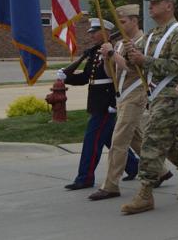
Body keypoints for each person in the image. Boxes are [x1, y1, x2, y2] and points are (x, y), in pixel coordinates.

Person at [121, 0, 178, 215]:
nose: (150, 6)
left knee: (152, 140)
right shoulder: (151, 34)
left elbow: (176, 66)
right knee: (168, 143)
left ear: (169, 5)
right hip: (155, 95)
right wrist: (131, 56)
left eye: (156, 3)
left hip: (171, 96)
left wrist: (144, 59)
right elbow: (137, 65)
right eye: (151, 3)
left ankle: (146, 193)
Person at [90, 5, 169, 201]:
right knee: (136, 139)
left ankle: (110, 185)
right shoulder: (117, 44)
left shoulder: (144, 42)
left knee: (118, 140)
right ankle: (160, 171)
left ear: (135, 21)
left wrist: (112, 55)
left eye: (123, 22)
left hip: (136, 95)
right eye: (119, 22)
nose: (121, 26)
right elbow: (112, 73)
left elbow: (132, 67)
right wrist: (107, 58)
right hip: (122, 96)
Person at [58, 18, 138, 191]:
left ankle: (85, 177)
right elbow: (88, 77)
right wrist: (68, 77)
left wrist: (112, 103)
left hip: (106, 104)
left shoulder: (114, 50)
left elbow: (116, 79)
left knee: (92, 141)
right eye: (91, 32)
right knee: (110, 139)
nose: (92, 35)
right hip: (97, 102)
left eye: (95, 32)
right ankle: (133, 166)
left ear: (106, 33)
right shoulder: (95, 52)